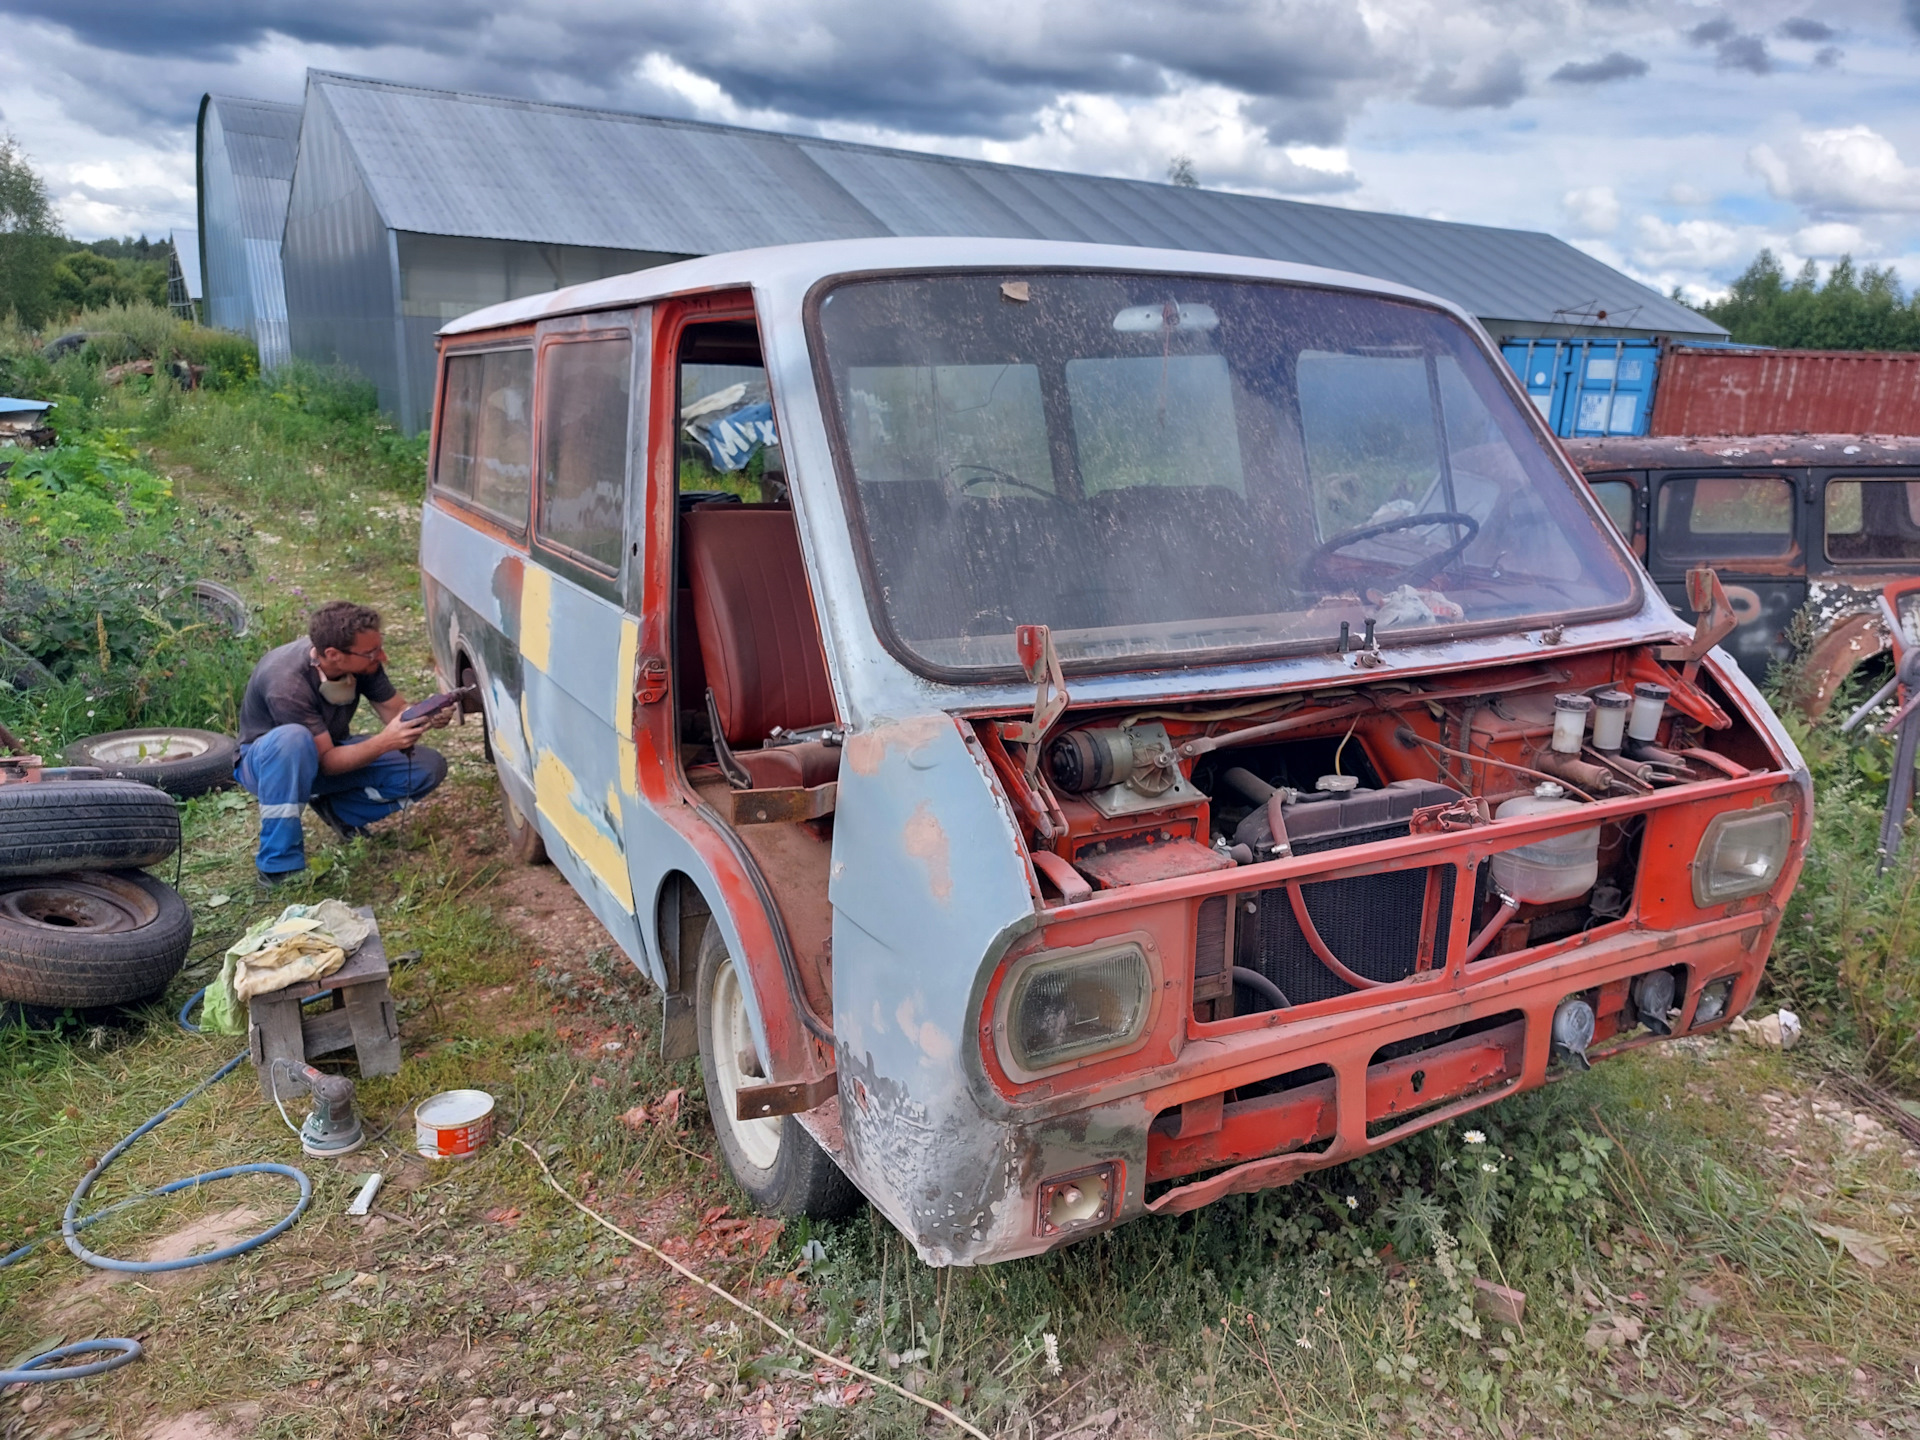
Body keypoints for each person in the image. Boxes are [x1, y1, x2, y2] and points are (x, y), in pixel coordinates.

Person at [236, 600, 450, 884]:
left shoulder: (361, 662)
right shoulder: (287, 683)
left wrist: (424, 715)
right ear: (334, 654)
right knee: (293, 740)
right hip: (269, 765)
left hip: (327, 753)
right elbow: (327, 764)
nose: (382, 657)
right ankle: (277, 865)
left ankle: (339, 812)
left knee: (427, 767)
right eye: (372, 652)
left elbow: (396, 712)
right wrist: (385, 742)